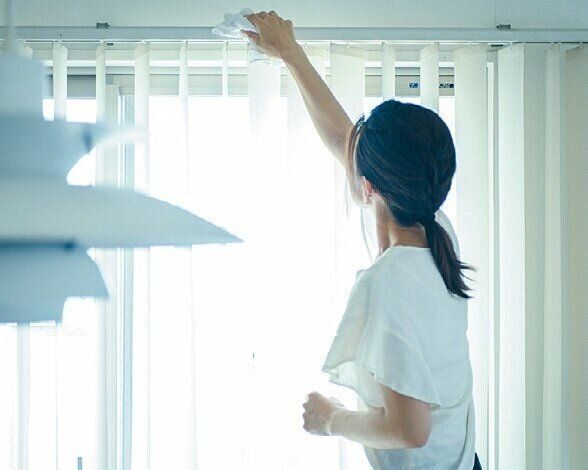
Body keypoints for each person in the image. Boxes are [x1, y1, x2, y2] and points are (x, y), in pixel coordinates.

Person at [243, 11, 482, 470]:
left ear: (367, 186)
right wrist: (290, 53)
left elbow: (410, 430)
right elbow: (344, 141)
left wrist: (330, 419)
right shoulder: (435, 229)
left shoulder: (388, 282)